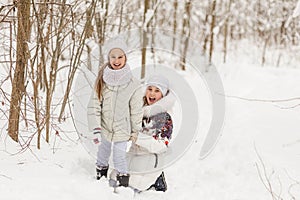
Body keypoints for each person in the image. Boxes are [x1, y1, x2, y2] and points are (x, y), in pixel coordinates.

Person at [87, 38, 143, 187]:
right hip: (104, 127)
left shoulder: (134, 84)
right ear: (108, 58)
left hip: (122, 129)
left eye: (120, 56)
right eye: (113, 56)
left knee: (119, 157)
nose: (116, 60)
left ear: (125, 57)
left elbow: (136, 110)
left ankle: (123, 186)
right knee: (103, 153)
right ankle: (100, 181)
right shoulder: (101, 80)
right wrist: (96, 128)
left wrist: (135, 131)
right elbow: (94, 106)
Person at [109, 75, 175, 192]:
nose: (152, 94)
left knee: (134, 184)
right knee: (114, 178)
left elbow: (161, 146)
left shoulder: (165, 118)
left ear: (163, 95)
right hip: (133, 154)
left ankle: (157, 179)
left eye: (157, 91)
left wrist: (137, 137)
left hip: (152, 157)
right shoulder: (139, 110)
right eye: (150, 89)